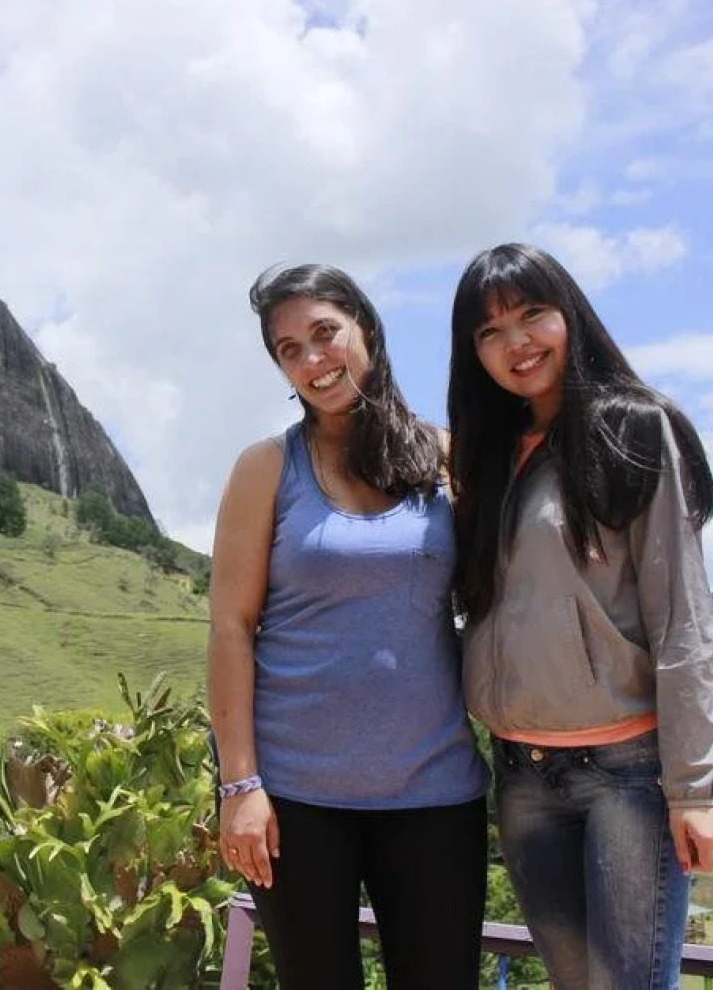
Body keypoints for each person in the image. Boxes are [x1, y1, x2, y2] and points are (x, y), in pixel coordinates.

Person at [446, 242, 713, 990]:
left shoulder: (632, 429)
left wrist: (696, 788)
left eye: (532, 314)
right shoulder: (488, 457)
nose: (516, 342)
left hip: (626, 778)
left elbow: (681, 618)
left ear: (569, 314)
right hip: (520, 775)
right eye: (488, 331)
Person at [206, 263, 491, 989]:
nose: (311, 361)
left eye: (323, 334)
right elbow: (230, 628)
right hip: (295, 802)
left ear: (365, 326)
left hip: (434, 794)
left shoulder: (446, 458)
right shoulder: (265, 468)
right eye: (287, 349)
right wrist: (240, 788)